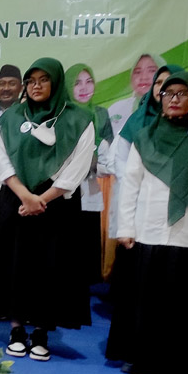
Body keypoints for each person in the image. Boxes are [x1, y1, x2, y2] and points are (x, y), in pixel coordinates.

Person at [108, 71, 188, 374]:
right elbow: (130, 184)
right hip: (148, 230)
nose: (173, 99)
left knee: (186, 305)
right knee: (147, 299)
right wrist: (126, 226)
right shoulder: (145, 136)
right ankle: (143, 359)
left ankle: (184, 366)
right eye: (168, 93)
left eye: (182, 93)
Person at [0, 57, 95, 361]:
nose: (36, 86)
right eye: (31, 81)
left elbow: (77, 167)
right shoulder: (10, 118)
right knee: (15, 266)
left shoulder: (79, 119)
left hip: (57, 206)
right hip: (16, 200)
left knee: (50, 268)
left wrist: (41, 199)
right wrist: (25, 196)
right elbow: (2, 161)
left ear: (56, 83)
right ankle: (17, 329)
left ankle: (42, 331)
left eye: (44, 80)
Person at [65, 63, 114, 285]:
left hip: (90, 193)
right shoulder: (61, 114)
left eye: (89, 81)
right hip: (62, 194)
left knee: (85, 249)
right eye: (77, 83)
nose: (84, 88)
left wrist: (93, 165)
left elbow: (108, 163)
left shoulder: (101, 115)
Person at [107, 54, 163, 136]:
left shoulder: (172, 109)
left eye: (152, 71)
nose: (144, 77)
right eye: (137, 72)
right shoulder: (117, 108)